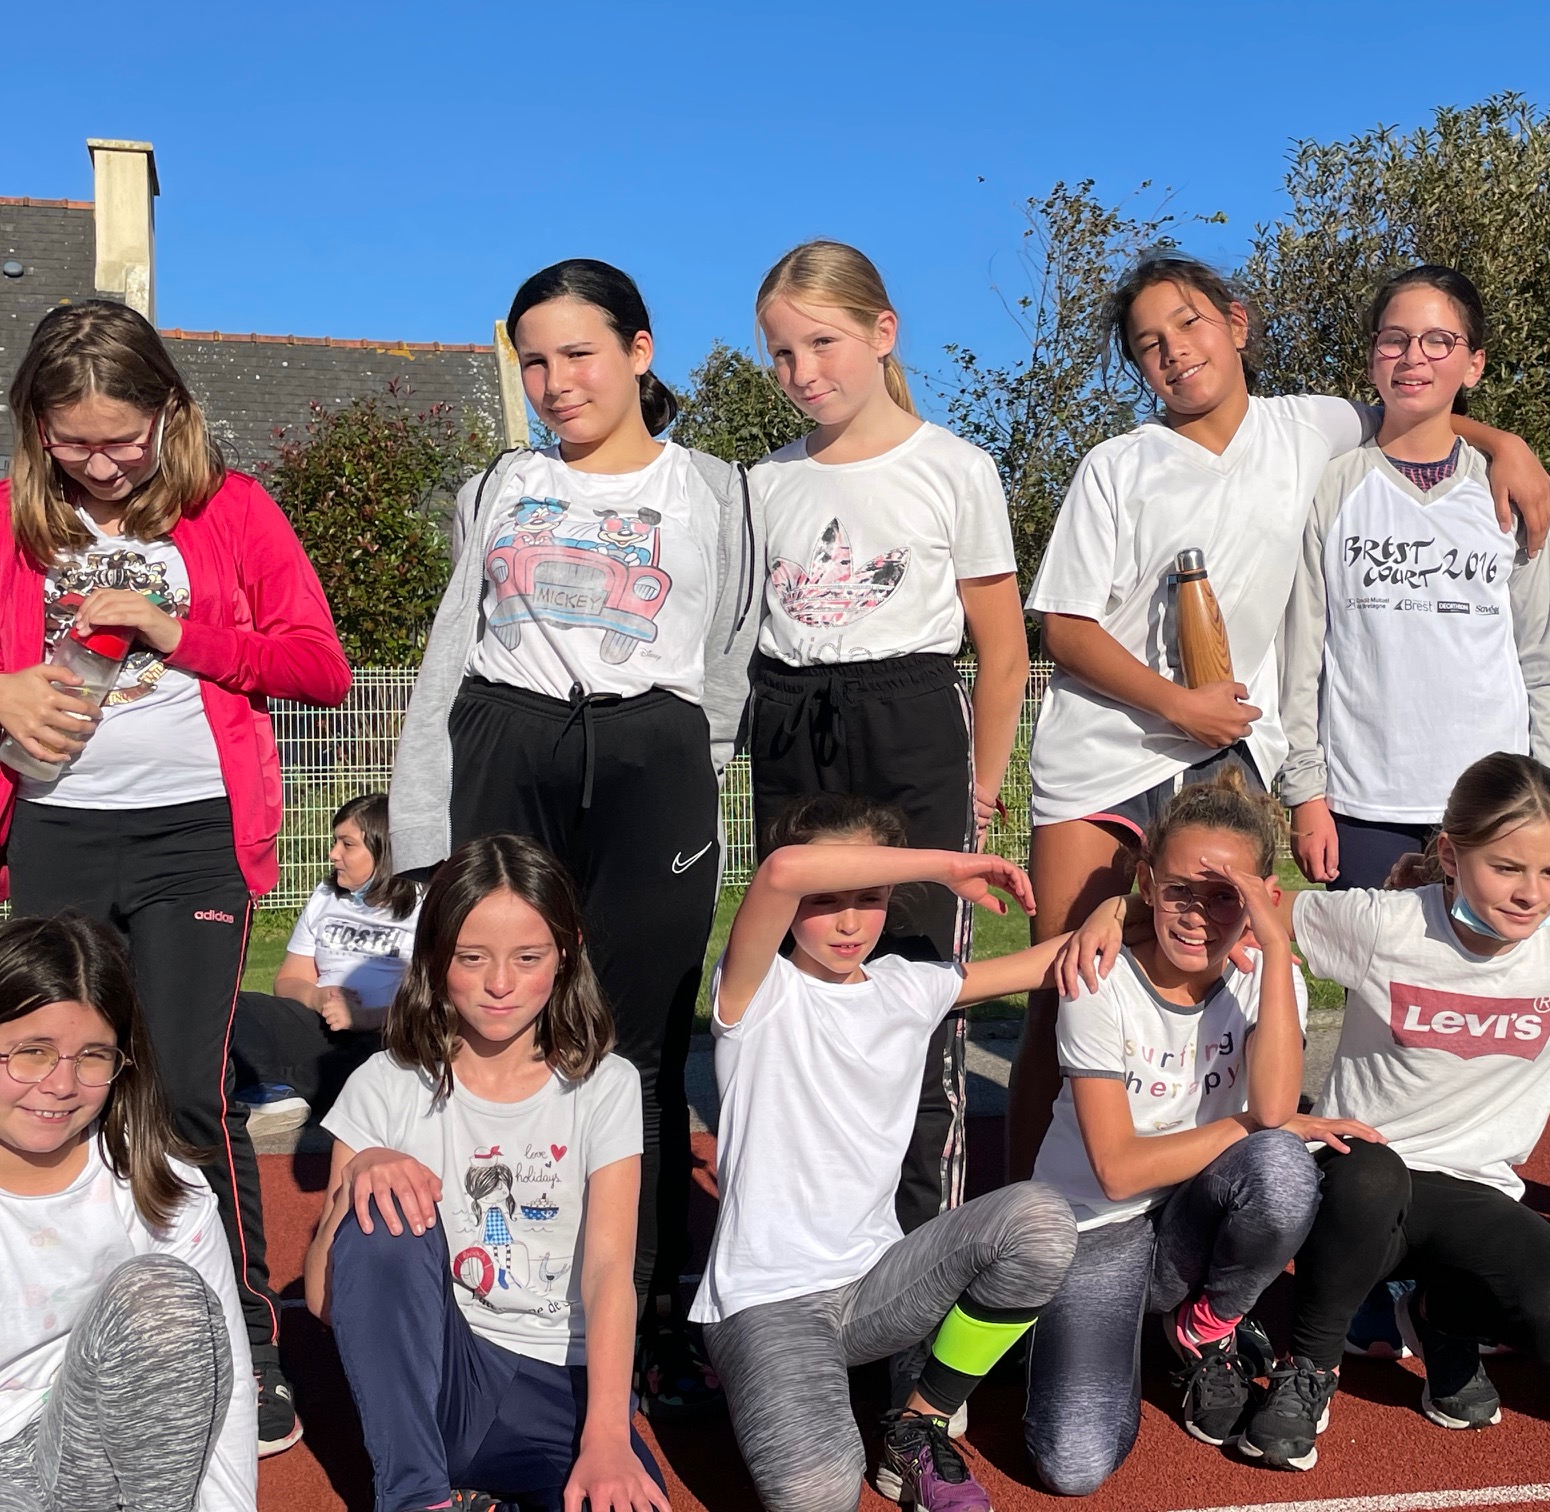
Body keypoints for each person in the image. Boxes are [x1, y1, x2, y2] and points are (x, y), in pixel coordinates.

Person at [1046, 754, 1550, 1469]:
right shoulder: (1383, 924)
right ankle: (1310, 1369)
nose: (1531, 894)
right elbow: (1236, 902)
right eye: (1507, 868)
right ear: (1450, 856)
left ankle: (1437, 1317)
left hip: (1472, 1192)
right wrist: (1118, 908)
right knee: (1372, 1175)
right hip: (1355, 1181)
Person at [1007, 250, 1550, 1181]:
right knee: (1064, 992)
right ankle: (1023, 1221)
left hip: (1231, 765)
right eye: (1148, 343)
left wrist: (1507, 444)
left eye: (1189, 323)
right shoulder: (1117, 464)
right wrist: (1178, 705)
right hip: (1101, 759)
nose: (1174, 351)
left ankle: (1213, 1224)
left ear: (1236, 323)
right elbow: (1062, 625)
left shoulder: (1314, 426)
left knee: (1221, 988)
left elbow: (1420, 405)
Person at [388, 259, 762, 1413]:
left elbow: (732, 656)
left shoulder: (720, 492)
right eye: (535, 361)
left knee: (636, 1053)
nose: (555, 383)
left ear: (640, 353)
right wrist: (421, 830)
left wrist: (685, 772)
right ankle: (493, 1312)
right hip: (508, 746)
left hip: (654, 762)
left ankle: (645, 1320)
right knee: (500, 1033)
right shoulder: (497, 486)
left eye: (579, 355)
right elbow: (451, 652)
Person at [0, 299, 352, 1454]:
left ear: (169, 412)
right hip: (55, 834)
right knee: (53, 1084)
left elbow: (321, 666)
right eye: (73, 442)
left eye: (123, 438)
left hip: (195, 836)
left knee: (187, 1093)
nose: (101, 465)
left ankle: (246, 1345)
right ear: (34, 427)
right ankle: (61, 1334)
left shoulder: (230, 510)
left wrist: (175, 631)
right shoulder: (12, 519)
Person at [748, 240, 1028, 1242]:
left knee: (917, 987)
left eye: (822, 343)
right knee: (796, 984)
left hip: (911, 729)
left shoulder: (954, 467)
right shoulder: (762, 484)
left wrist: (979, 790)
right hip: (790, 726)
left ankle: (920, 1256)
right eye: (782, 354)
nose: (802, 372)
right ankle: (804, 1240)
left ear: (882, 333)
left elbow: (1004, 650)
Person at [695, 794, 1079, 1512]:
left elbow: (1051, 960)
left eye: (869, 899)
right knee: (818, 1493)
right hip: (767, 1299)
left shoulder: (908, 987)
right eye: (826, 900)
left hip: (876, 1284)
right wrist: (946, 865)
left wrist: (1121, 914)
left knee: (1040, 1224)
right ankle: (768, 1381)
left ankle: (916, 1426)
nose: (848, 923)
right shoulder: (756, 990)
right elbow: (781, 871)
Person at [303, 834, 668, 1512]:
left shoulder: (605, 1084)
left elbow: (609, 1270)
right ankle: (416, 1497)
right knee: (384, 1211)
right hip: (438, 1386)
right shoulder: (384, 1083)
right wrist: (359, 1181)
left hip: (559, 1388)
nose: (500, 983)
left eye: (528, 958)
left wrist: (608, 1438)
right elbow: (327, 1299)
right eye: (472, 958)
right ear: (434, 955)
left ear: (567, 953)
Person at [1022, 772, 1338, 1495]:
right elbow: (1118, 1172)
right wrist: (1249, 1125)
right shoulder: (1098, 974)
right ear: (1146, 884)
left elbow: (1276, 1106)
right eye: (1179, 893)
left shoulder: (1265, 974)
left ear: (1262, 899)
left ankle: (1203, 1328)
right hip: (1095, 1228)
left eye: (1227, 896)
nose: (1199, 916)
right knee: (1073, 1467)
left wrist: (1274, 941)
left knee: (1283, 1168)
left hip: (1189, 1219)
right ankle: (1078, 1333)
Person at [1281, 264, 1550, 892]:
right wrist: (1305, 791)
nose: (1414, 357)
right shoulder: (1329, 487)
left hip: (1494, 805)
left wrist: (1545, 792)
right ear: (1372, 358)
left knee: (1488, 958)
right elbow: (1300, 658)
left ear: (1473, 365)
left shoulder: (1512, 490)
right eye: (1395, 339)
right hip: (1362, 803)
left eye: (1439, 341)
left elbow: (1546, 662)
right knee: (1372, 960)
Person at [0, 912, 256, 1512]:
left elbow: (227, 1383)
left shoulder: (157, 1184)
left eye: (93, 1056)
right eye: (32, 1053)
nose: (61, 1085)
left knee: (164, 1297)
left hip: (86, 1455)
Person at [232, 792, 420, 1135]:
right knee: (236, 1007)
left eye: (347, 844)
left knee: (371, 1060)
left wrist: (364, 1018)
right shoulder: (326, 896)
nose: (333, 854)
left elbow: (435, 1005)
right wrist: (318, 997)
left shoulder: (425, 905)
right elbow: (288, 981)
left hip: (387, 1030)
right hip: (321, 1020)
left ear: (383, 850)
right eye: (336, 842)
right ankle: (270, 1091)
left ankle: (274, 1088)